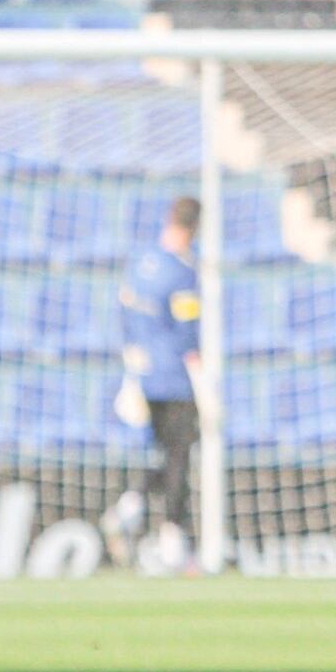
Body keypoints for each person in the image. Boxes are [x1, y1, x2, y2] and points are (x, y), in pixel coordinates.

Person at [109, 195, 204, 572]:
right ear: (194, 229)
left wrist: (132, 358)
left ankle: (131, 504)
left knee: (161, 453)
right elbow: (187, 328)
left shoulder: (140, 264)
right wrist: (200, 373)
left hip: (142, 373)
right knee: (179, 456)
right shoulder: (183, 272)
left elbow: (125, 313)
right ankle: (171, 541)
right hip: (176, 378)